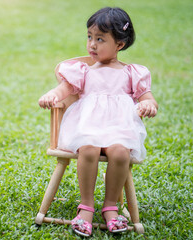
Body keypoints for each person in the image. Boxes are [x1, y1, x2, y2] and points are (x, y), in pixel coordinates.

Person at [38, 7, 158, 236]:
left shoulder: (132, 73)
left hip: (118, 131)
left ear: (119, 45)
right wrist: (52, 95)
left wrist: (149, 105)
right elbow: (63, 89)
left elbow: (148, 97)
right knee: (89, 150)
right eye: (89, 37)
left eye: (100, 39)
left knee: (121, 154)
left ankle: (111, 206)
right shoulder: (82, 71)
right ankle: (86, 206)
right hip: (88, 130)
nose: (92, 44)